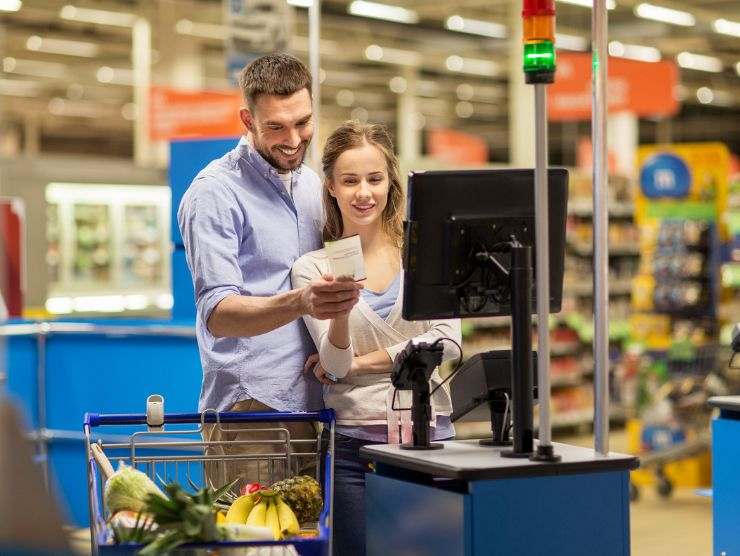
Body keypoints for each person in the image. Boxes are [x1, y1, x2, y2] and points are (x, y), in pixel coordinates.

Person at [177, 53, 362, 487]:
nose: (294, 139)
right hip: (252, 416)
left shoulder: (312, 184)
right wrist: (302, 301)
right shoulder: (215, 194)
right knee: (256, 548)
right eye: (276, 126)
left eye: (303, 122)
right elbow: (219, 314)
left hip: (318, 408)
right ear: (247, 119)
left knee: (311, 548)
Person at [291, 121, 461, 555]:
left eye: (374, 178)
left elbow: (447, 343)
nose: (363, 192)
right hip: (354, 449)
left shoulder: (422, 255)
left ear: (390, 182)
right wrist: (342, 311)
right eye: (349, 181)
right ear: (330, 186)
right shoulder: (313, 269)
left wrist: (357, 367)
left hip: (431, 439)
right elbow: (333, 362)